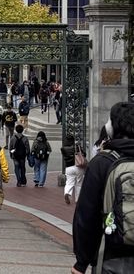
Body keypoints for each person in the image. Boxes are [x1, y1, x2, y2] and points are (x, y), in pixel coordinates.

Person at [71, 102, 134, 274]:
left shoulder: (102, 162)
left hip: (111, 256)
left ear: (110, 128)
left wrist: (81, 262)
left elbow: (87, 216)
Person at [60, 133, 85, 204]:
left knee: (69, 182)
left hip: (69, 167)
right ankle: (77, 199)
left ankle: (67, 192)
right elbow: (84, 154)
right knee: (79, 183)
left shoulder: (63, 149)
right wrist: (78, 146)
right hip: (78, 166)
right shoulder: (76, 147)